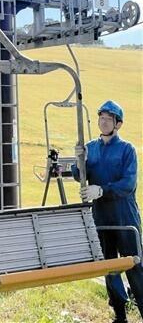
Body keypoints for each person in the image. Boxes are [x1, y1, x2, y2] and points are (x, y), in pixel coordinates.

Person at [72, 100, 143, 323]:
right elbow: (78, 175)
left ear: (118, 124)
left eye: (108, 119)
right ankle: (120, 315)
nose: (104, 122)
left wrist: (102, 189)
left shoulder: (127, 150)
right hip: (100, 215)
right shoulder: (90, 148)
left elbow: (128, 184)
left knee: (135, 265)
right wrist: (78, 160)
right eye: (101, 118)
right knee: (109, 266)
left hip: (124, 215)